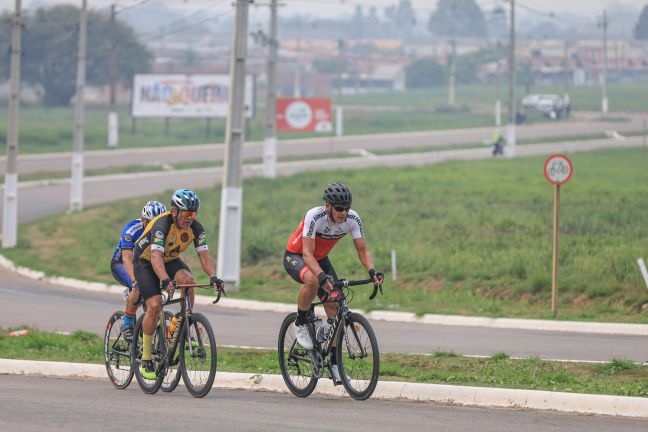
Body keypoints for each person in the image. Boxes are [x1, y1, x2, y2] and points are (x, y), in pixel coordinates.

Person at [283, 182, 384, 384]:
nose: (343, 212)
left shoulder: (352, 219)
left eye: (347, 208)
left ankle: (334, 364)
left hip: (320, 259)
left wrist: (372, 271)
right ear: (328, 205)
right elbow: (307, 253)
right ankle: (301, 321)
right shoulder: (315, 216)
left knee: (337, 307)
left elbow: (362, 250)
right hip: (297, 256)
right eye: (339, 208)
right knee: (312, 280)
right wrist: (321, 277)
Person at [132, 188, 223, 379]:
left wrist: (214, 276)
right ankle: (146, 358)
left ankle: (184, 319)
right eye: (186, 213)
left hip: (169, 259)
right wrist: (165, 280)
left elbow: (205, 257)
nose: (190, 218)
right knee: (155, 304)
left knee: (189, 281)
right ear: (174, 212)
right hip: (146, 261)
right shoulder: (162, 225)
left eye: (194, 213)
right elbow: (155, 257)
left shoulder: (196, 228)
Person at [110, 200, 167, 341]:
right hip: (121, 264)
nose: (155, 227)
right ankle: (127, 322)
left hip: (144, 264)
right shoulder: (132, 229)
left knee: (153, 303)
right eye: (151, 223)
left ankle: (149, 341)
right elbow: (127, 259)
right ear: (143, 221)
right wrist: (135, 281)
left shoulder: (165, 230)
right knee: (140, 287)